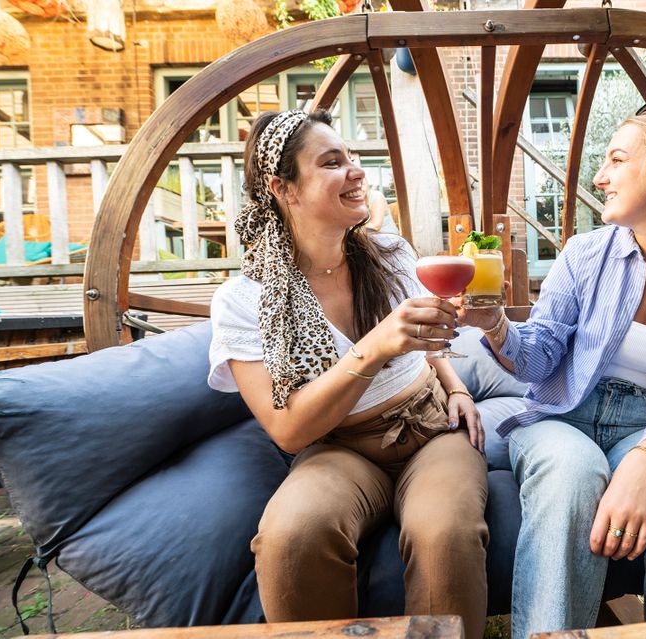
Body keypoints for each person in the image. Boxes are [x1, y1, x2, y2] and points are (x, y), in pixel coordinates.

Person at [458, 98, 646, 639]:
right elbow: (539, 358)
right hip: (566, 417)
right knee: (572, 475)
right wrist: (495, 324)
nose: (600, 177)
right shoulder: (584, 254)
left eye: (617, 160)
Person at [207, 108, 489, 639]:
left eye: (353, 158)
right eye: (333, 162)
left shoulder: (391, 254)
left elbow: (427, 343)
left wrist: (455, 387)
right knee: (293, 534)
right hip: (337, 445)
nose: (357, 171)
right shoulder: (246, 300)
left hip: (430, 429)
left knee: (444, 532)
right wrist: (376, 345)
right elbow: (288, 429)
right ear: (282, 188)